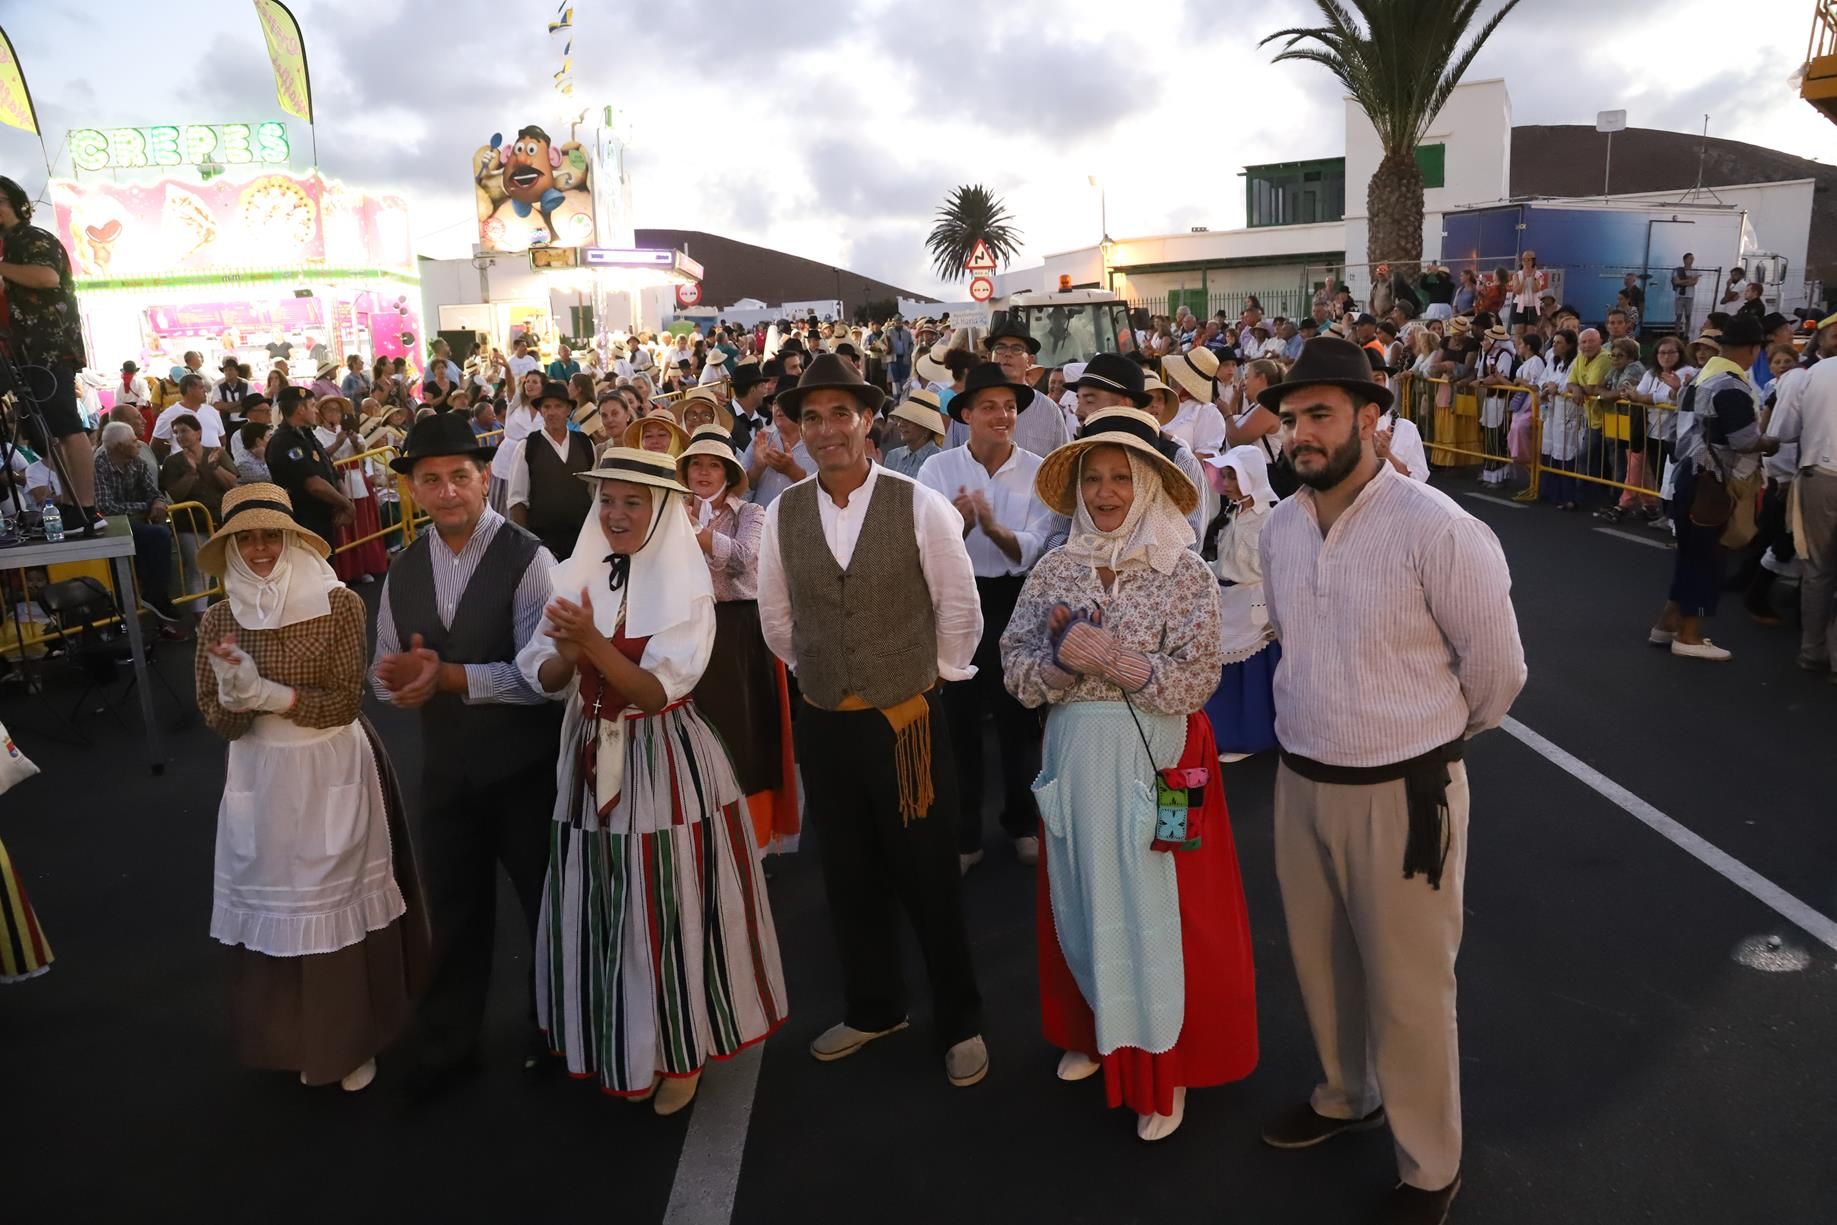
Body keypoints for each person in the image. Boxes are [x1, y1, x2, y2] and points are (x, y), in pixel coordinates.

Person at [1254, 338, 1525, 1223]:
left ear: (1371, 419)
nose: (1300, 432)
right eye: (1291, 416)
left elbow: (1497, 672)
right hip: (1301, 783)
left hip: (1404, 792)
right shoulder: (1279, 525)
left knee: (1410, 990)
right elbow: (1290, 642)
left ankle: (1428, 1164)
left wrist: (1429, 742)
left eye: (1320, 413)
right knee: (1321, 967)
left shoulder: (1436, 526)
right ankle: (1345, 1096)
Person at [999, 405, 1256, 1142]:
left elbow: (1195, 681)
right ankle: (1094, 1023)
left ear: (1147, 484)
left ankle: (1163, 1066)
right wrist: (1054, 664)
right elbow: (1015, 666)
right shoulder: (1055, 566)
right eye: (1092, 479)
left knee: (1164, 915)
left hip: (1164, 764)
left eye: (1120, 477)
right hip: (1075, 764)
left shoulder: (1183, 573)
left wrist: (1106, 657)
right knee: (1078, 900)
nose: (1105, 493)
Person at [513, 445, 787, 1113]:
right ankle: (622, 1036)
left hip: (661, 756)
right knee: (604, 895)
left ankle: (680, 1046)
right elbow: (543, 676)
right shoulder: (576, 572)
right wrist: (569, 652)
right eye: (606, 499)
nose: (616, 512)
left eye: (632, 500)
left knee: (666, 896)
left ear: (661, 508)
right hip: (588, 752)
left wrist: (591, 645)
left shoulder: (686, 585)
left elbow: (658, 689)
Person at [754, 352, 989, 1088]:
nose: (827, 430)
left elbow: (960, 607)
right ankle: (874, 1005)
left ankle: (960, 1019)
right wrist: (824, 671)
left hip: (907, 722)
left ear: (867, 422)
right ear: (799, 428)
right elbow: (776, 618)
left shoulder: (916, 503)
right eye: (813, 416)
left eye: (841, 415)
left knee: (927, 877)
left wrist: (928, 683)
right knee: (848, 875)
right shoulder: (784, 513)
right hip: (827, 723)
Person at [193, 484, 428, 1091]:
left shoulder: (340, 605)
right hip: (258, 773)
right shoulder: (219, 619)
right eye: (246, 538)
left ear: (295, 538)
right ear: (230, 549)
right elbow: (218, 723)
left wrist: (267, 693)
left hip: (328, 763)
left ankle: (347, 1041)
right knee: (277, 903)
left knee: (333, 898)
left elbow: (344, 701)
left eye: (272, 534)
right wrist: (231, 693)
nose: (261, 547)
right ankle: (292, 1039)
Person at [371, 412, 564, 1102]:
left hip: (525, 770)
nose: (448, 490)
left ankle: (560, 1034)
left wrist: (448, 677)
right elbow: (382, 666)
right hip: (447, 770)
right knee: (451, 910)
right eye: (431, 479)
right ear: (413, 490)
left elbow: (543, 678)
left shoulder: (529, 557)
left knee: (546, 902)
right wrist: (398, 684)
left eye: (460, 476)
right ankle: (449, 1043)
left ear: (485, 479)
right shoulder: (401, 569)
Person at [918, 363, 1066, 873]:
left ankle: (1022, 823)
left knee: (1018, 719)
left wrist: (989, 524)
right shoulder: (937, 471)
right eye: (989, 407)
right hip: (957, 600)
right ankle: (964, 837)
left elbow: (1028, 552)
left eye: (1009, 406)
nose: (1003, 416)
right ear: (965, 415)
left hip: (1014, 600)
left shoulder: (1038, 469)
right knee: (957, 721)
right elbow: (928, 551)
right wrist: (959, 525)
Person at [676, 425, 800, 855]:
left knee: (746, 734)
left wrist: (696, 530)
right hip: (689, 628)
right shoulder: (670, 512)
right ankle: (704, 834)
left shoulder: (752, 513)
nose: (705, 473)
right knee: (696, 733)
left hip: (739, 632)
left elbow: (745, 560)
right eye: (697, 464)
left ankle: (753, 838)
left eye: (714, 465)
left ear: (729, 474)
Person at [0, 176, 102, 533]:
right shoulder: (8, 247)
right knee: (47, 431)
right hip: (23, 350)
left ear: (17, 204)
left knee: (66, 426)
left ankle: (87, 507)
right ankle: (71, 501)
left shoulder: (31, 238)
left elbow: (46, 277)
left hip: (48, 346)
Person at [1200, 445, 1282, 762]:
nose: (1226, 482)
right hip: (1229, 602)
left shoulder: (1271, 518)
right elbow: (1223, 560)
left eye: (1232, 475)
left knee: (1254, 674)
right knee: (1228, 673)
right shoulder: (1230, 513)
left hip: (1256, 607)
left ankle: (1252, 738)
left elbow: (1281, 567)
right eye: (1223, 475)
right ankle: (1226, 734)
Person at [95, 421, 181, 625]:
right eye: (133, 442)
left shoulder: (138, 462)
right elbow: (106, 507)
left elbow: (154, 492)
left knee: (159, 534)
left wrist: (158, 502)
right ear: (119, 447)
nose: (139, 445)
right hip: (110, 528)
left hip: (135, 524)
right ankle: (149, 599)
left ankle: (155, 595)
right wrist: (147, 506)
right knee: (157, 536)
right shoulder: (99, 465)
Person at [504, 380, 595, 560]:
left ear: (568, 410)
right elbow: (517, 501)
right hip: (543, 543)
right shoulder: (528, 446)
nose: (551, 412)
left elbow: (594, 493)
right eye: (546, 407)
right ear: (541, 411)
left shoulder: (585, 443)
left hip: (582, 539)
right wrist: (528, 546)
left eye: (558, 406)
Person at [264, 386, 352, 557]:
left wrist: (343, 498)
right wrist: (346, 504)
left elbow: (328, 467)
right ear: (300, 409)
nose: (316, 410)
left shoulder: (307, 435)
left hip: (324, 517)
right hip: (305, 521)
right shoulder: (284, 442)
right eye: (312, 406)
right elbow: (313, 484)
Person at [158, 412, 240, 596]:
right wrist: (190, 474)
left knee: (232, 566)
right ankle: (199, 618)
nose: (180, 436)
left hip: (221, 519)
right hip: (190, 523)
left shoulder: (217, 453)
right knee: (197, 570)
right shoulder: (172, 462)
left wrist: (214, 467)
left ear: (198, 433)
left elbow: (232, 484)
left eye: (184, 431)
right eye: (176, 432)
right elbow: (176, 495)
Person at [977, 319, 1070, 456]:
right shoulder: (970, 406)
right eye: (1000, 348)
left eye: (1017, 349)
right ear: (990, 357)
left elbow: (1062, 464)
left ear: (1030, 361)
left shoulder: (1049, 411)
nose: (1007, 354)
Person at [881, 389, 948, 479]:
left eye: (909, 420)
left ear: (926, 428)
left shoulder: (940, 460)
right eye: (900, 419)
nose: (901, 424)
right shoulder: (893, 456)